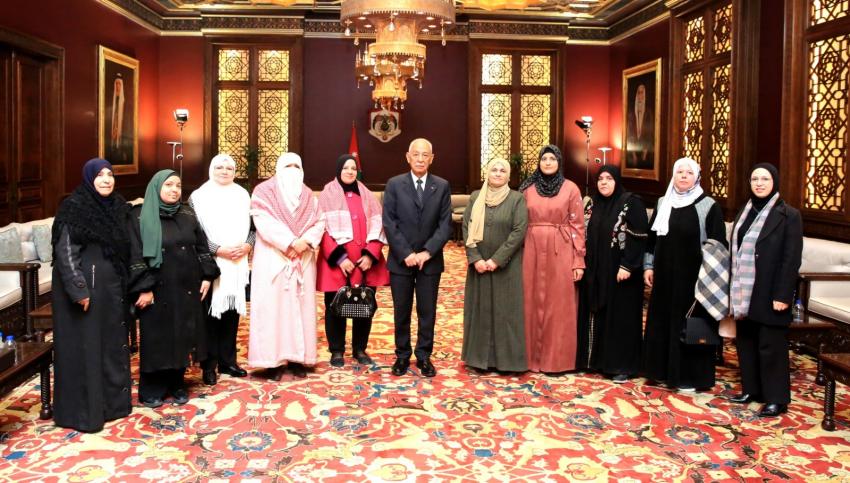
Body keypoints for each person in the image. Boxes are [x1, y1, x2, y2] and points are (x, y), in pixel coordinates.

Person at [51, 158, 133, 432]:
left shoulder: (118, 206)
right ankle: (84, 413)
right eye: (100, 175)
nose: (107, 180)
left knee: (110, 345)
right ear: (89, 178)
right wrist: (79, 289)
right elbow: (65, 252)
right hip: (86, 291)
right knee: (86, 349)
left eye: (110, 174)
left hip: (112, 289)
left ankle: (112, 406)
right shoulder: (74, 207)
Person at [128, 169, 220, 408]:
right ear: (156, 187)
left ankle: (177, 383)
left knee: (182, 334)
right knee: (157, 337)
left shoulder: (187, 213)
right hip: (156, 288)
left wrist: (207, 276)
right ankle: (153, 388)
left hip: (186, 285)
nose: (174, 190)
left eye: (178, 185)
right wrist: (144, 287)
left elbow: (201, 246)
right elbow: (135, 254)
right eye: (168, 185)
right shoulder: (139, 215)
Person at [642, 157, 727, 392]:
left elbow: (718, 244)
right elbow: (651, 240)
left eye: (689, 173)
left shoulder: (708, 206)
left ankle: (689, 377)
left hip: (695, 279)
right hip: (664, 276)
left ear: (697, 177)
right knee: (662, 322)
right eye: (679, 172)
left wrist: (708, 275)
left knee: (690, 325)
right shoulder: (663, 202)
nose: (683, 176)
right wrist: (648, 266)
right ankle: (660, 372)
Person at [728, 163, 802, 417]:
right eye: (755, 179)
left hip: (771, 290)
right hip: (744, 290)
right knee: (747, 341)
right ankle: (753, 390)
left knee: (771, 346)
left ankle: (776, 399)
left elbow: (791, 259)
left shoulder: (788, 215)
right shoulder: (745, 210)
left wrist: (783, 295)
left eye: (765, 179)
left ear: (775, 182)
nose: (759, 184)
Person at [249, 153, 326, 380]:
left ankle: (298, 359)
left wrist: (304, 243)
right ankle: (272, 361)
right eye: (287, 166)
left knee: (301, 309)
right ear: (278, 168)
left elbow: (319, 222)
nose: (292, 170)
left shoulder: (309, 195)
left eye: (296, 166)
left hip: (302, 259)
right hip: (274, 259)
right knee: (273, 310)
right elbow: (263, 222)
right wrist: (290, 242)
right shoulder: (263, 192)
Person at [382, 138, 453, 377]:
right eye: (416, 154)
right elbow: (389, 223)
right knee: (401, 311)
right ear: (408, 157)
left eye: (425, 155)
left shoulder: (441, 186)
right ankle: (402, 355)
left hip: (430, 262)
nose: (420, 159)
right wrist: (407, 253)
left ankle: (424, 356)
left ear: (432, 158)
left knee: (427, 311)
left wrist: (427, 252)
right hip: (401, 261)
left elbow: (445, 225)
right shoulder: (394, 184)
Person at [576, 165, 649, 382]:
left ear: (617, 181)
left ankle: (621, 365)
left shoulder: (631, 202)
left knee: (620, 318)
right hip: (596, 270)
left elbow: (639, 236)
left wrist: (628, 266)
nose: (604, 182)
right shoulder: (592, 204)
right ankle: (595, 361)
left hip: (621, 272)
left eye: (609, 178)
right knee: (596, 313)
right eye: (600, 179)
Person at [316, 154, 390, 367]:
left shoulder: (367, 195)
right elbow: (321, 229)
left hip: (365, 263)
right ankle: (337, 350)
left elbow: (379, 224)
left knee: (364, 306)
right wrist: (340, 259)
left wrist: (370, 255)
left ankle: (360, 349)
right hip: (337, 263)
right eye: (345, 168)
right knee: (334, 307)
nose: (350, 171)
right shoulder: (326, 195)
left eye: (353, 168)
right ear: (338, 170)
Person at [520, 145, 586, 373]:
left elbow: (578, 226)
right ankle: (528, 358)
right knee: (530, 301)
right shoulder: (527, 189)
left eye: (552, 158)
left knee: (558, 305)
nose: (547, 162)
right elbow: (518, 222)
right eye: (544, 159)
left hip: (561, 250)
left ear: (559, 162)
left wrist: (578, 260)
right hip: (531, 248)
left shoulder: (571, 189)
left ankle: (556, 360)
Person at [189, 154, 253, 386]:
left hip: (237, 262)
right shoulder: (199, 196)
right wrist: (218, 250)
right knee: (209, 316)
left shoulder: (243, 194)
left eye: (229, 168)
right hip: (210, 263)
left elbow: (253, 228)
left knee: (231, 314)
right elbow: (195, 232)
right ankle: (209, 365)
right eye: (219, 167)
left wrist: (247, 246)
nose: (224, 171)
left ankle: (228, 361)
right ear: (211, 169)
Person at [461, 159, 528, 372]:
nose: (498, 174)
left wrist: (496, 260)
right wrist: (476, 258)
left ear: (508, 176)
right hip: (479, 266)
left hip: (507, 267)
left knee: (505, 313)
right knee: (479, 310)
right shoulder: (475, 197)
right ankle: (477, 360)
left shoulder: (517, 199)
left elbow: (519, 231)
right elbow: (466, 227)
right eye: (494, 170)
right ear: (487, 173)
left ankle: (507, 362)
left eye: (502, 171)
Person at [625, 83, 655, 170]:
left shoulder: (648, 112)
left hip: (645, 150)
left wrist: (645, 153)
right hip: (634, 149)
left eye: (642, 92)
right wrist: (633, 154)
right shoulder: (631, 113)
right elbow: (630, 133)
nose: (640, 95)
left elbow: (650, 133)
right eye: (638, 92)